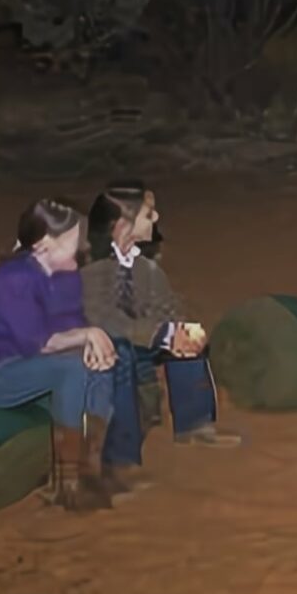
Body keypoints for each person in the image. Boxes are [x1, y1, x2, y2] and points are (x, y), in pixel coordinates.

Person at [0, 198, 122, 514]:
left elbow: (71, 322)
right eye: (73, 240)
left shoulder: (64, 273)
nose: (82, 246)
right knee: (73, 369)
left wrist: (93, 345)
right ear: (43, 245)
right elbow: (36, 342)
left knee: (100, 362)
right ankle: (67, 484)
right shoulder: (12, 279)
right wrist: (86, 337)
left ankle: (93, 470)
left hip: (23, 362)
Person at [84, 180, 246, 487]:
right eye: (148, 214)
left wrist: (178, 330)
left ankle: (195, 423)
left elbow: (168, 305)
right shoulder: (92, 271)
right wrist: (160, 333)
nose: (156, 218)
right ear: (122, 226)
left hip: (137, 341)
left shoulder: (145, 268)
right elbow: (105, 320)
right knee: (119, 355)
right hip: (96, 351)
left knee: (185, 336)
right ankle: (119, 461)